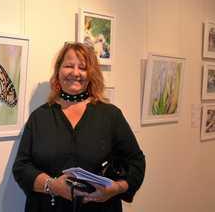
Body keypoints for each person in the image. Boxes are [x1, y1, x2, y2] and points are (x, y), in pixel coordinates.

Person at [13, 42, 145, 212]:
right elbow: (21, 167)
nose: (75, 73)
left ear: (91, 74)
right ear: (58, 71)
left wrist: (117, 188)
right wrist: (52, 185)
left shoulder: (111, 115)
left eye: (82, 68)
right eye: (69, 66)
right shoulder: (40, 117)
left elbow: (136, 162)